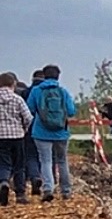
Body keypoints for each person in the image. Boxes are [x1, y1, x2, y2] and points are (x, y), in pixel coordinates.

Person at [26, 65, 75, 201]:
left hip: (41, 132)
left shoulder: (36, 91)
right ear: (58, 76)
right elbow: (71, 111)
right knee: (62, 161)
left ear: (44, 76)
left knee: (45, 161)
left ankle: (48, 189)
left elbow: (30, 109)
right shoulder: (63, 91)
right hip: (61, 132)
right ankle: (66, 190)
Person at [0, 73, 31, 204]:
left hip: (0, 137)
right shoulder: (17, 99)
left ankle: (4, 182)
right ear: (13, 84)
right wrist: (24, 128)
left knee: (3, 163)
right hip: (17, 136)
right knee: (19, 165)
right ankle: (20, 194)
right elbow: (28, 117)